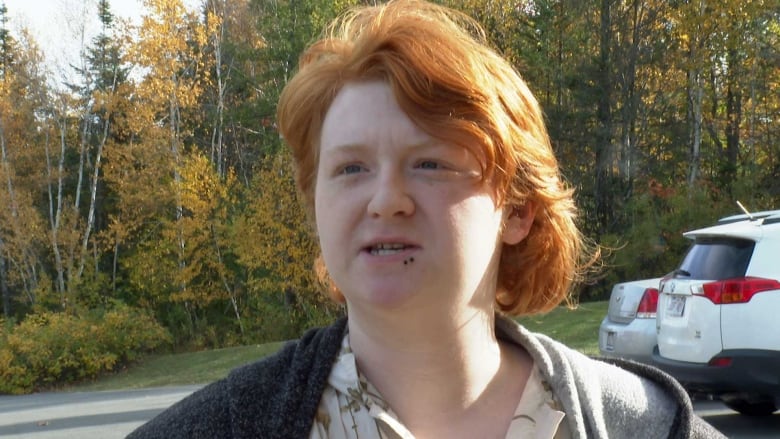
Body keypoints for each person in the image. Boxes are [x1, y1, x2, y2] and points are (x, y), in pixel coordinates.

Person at [128, 1, 724, 438]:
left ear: (516, 209)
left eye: (430, 163)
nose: (386, 199)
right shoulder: (214, 430)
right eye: (351, 169)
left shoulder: (645, 427)